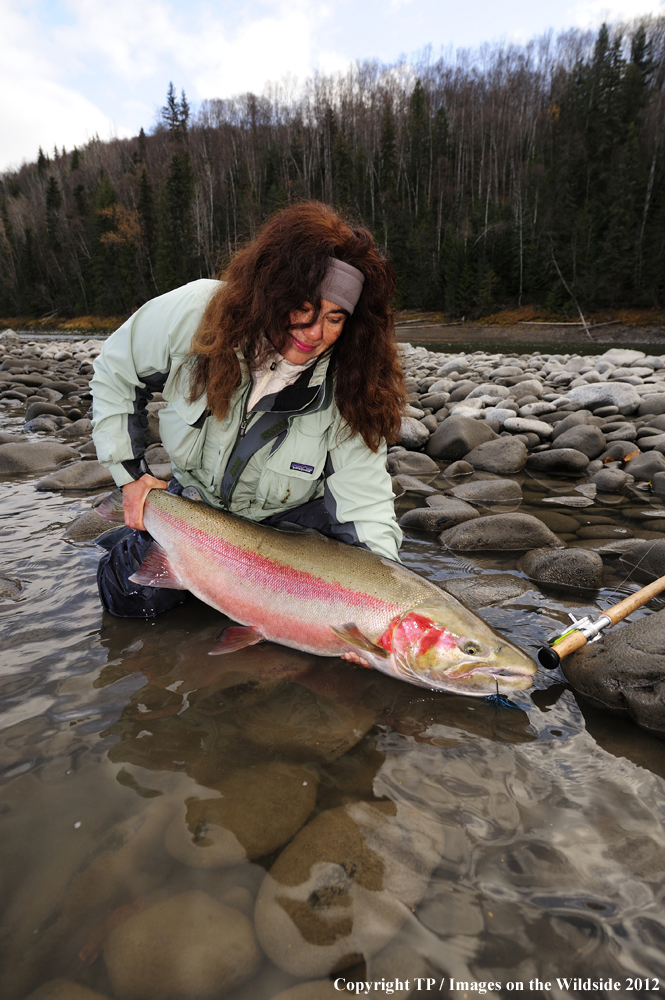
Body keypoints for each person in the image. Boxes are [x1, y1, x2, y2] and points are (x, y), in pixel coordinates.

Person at [91, 201, 406, 617]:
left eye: (335, 318)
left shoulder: (351, 385)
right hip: (199, 508)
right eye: (304, 308)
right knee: (130, 601)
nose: (315, 333)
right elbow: (117, 368)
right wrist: (130, 476)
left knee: (330, 615)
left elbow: (365, 504)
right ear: (274, 290)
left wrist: (386, 607)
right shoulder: (195, 314)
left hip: (289, 525)